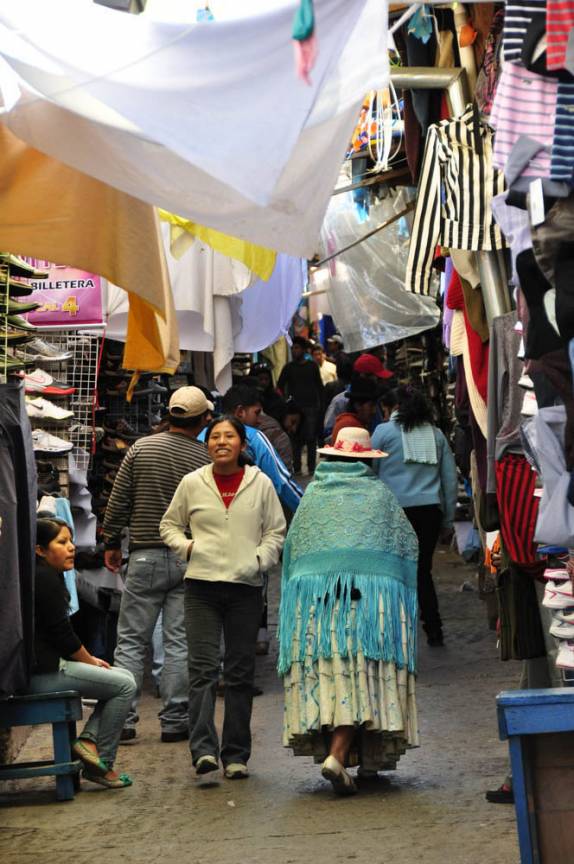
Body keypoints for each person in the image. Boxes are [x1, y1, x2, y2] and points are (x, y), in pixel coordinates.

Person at [278, 427, 419, 796]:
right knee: (364, 674)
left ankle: (353, 758)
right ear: (364, 460)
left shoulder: (313, 496)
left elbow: (294, 552)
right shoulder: (378, 495)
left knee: (333, 672)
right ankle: (339, 756)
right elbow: (406, 545)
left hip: (318, 606)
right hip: (370, 606)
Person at [160, 417, 286, 779]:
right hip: (201, 587)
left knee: (239, 673)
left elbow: (276, 530)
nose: (221, 442)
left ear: (242, 444)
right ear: (207, 444)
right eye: (215, 436)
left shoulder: (259, 483)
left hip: (245, 590)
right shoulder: (192, 483)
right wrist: (187, 548)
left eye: (229, 436)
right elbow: (168, 524)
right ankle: (203, 751)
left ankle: (236, 755)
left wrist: (261, 560)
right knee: (201, 671)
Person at [103, 386, 213, 742]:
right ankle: (174, 719)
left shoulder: (141, 448)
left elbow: (118, 500)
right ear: (202, 420)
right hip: (187, 555)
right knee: (179, 639)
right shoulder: (203, 458)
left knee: (131, 640)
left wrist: (110, 540)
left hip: (145, 554)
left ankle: (124, 719)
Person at [28, 518, 136, 789]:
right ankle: (101, 763)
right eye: (62, 543)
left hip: (50, 667)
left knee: (122, 676)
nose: (71, 548)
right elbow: (63, 637)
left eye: (71, 541)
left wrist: (92, 661)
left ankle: (89, 742)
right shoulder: (43, 580)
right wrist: (91, 661)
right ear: (40, 550)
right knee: (124, 685)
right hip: (44, 673)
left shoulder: (45, 575)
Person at [371, 386, 458, 647]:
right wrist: (448, 521)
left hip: (394, 510)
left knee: (394, 570)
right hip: (430, 511)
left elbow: (371, 474)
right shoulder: (435, 435)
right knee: (422, 571)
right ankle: (433, 628)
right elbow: (450, 480)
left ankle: (395, 631)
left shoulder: (383, 433)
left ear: (394, 407)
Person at [277, 336, 324, 475]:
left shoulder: (312, 366)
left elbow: (319, 387)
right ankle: (296, 468)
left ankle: (311, 468)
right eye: (292, 348)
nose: (294, 350)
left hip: (310, 408)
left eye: (296, 348)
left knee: (310, 439)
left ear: (303, 350)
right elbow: (279, 387)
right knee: (295, 439)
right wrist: (286, 403)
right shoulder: (289, 367)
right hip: (294, 410)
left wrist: (320, 407)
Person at [324, 353, 393, 440]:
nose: (381, 383)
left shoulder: (376, 399)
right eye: (378, 379)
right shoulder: (340, 402)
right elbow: (328, 435)